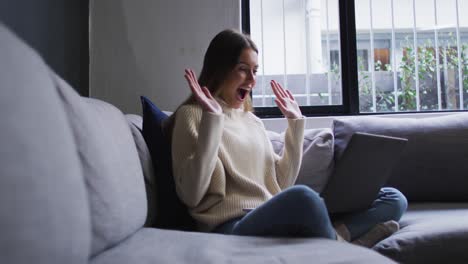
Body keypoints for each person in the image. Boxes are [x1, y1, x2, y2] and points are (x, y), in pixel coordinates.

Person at [165, 29, 407, 247]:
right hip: (231, 227)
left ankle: (337, 239)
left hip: (272, 216)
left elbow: (281, 185)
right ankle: (342, 248)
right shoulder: (193, 115)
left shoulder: (252, 121)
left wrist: (295, 125)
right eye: (242, 69)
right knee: (303, 197)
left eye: (255, 71)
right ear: (220, 68)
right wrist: (213, 121)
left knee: (393, 199)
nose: (252, 80)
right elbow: (191, 195)